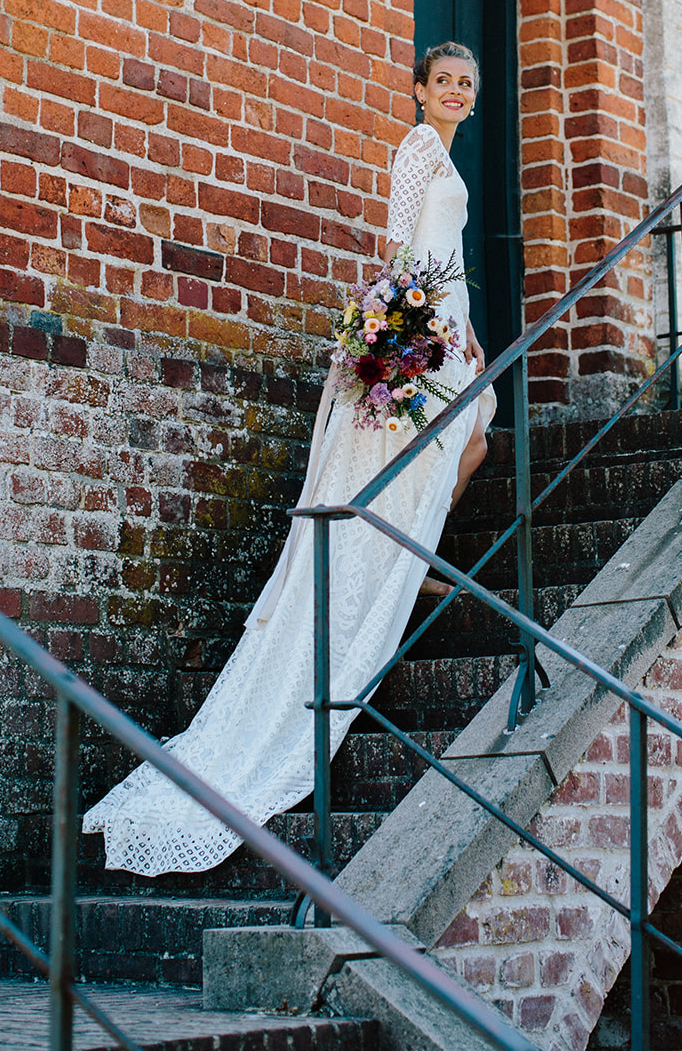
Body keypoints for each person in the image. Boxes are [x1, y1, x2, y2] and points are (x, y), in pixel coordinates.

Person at [83, 43, 496, 876]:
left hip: (447, 325)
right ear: (418, 91)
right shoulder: (417, 151)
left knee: (477, 431)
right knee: (446, 441)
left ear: (473, 99)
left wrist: (470, 332)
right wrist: (403, 336)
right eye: (442, 82)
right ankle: (406, 561)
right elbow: (399, 251)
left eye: (465, 85)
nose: (453, 92)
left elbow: (445, 267)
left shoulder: (448, 155)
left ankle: (410, 556)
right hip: (416, 328)